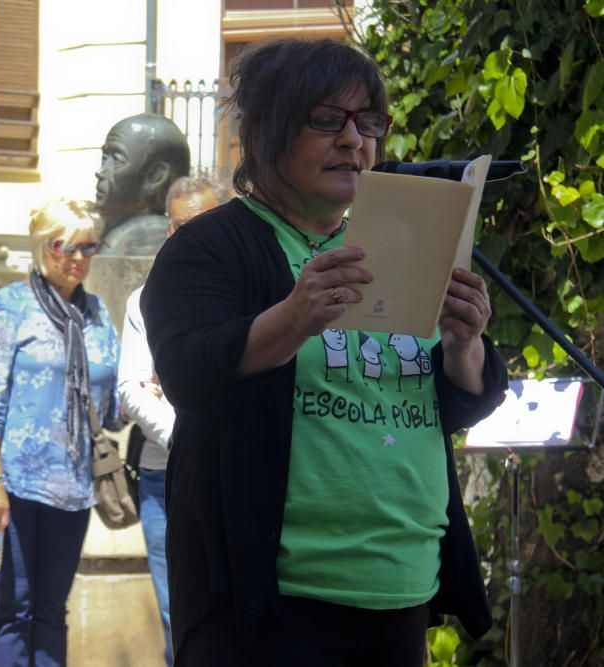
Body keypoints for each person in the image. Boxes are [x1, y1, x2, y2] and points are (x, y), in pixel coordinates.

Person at [140, 39, 509, 666]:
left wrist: (463, 345)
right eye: (325, 119)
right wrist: (294, 316)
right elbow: (190, 375)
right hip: (274, 601)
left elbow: (446, 402)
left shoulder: (398, 243)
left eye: (368, 122)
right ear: (265, 133)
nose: (353, 140)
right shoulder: (211, 247)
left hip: (400, 583)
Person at [0, 200, 121, 666]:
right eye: (64, 246)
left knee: (52, 610)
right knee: (14, 606)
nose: (77, 258)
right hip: (9, 481)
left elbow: (110, 409)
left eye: (87, 247)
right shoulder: (9, 306)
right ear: (41, 247)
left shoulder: (97, 314)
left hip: (71, 485)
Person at [118, 176, 224, 667]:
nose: (190, 236)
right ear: (168, 230)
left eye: (203, 223)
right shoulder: (142, 301)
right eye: (181, 226)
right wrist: (195, 436)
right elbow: (133, 390)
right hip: (167, 478)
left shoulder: (252, 289)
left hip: (237, 475)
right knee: (175, 611)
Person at [95, 114, 191, 256]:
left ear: (156, 177)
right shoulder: (113, 236)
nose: (100, 172)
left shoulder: (143, 241)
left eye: (116, 159)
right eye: (104, 158)